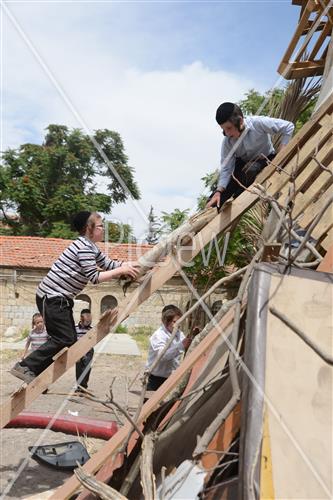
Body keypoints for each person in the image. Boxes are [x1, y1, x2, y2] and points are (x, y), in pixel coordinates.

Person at [11, 211, 140, 384]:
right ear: (89, 228)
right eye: (101, 226)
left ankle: (31, 369)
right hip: (53, 297)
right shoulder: (83, 247)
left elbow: (109, 264)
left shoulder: (91, 247)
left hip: (58, 298)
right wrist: (121, 270)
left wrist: (132, 265)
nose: (103, 230)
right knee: (65, 338)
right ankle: (25, 366)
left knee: (67, 339)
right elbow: (95, 276)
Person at [206, 102, 295, 210]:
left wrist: (282, 152)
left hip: (265, 159)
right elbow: (226, 168)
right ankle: (213, 207)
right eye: (223, 130)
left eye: (229, 128)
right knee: (218, 197)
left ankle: (236, 203)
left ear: (240, 121)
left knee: (251, 170)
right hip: (242, 164)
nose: (227, 133)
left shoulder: (258, 123)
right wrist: (219, 191)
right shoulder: (227, 142)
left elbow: (288, 126)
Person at [145, 306, 192, 391]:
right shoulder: (158, 335)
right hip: (156, 379)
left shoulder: (179, 334)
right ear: (167, 321)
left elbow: (185, 345)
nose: (177, 324)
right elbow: (162, 356)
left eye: (179, 321)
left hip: (171, 378)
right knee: (151, 402)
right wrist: (181, 345)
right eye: (174, 322)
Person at [75, 308, 94, 393]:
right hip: (78, 350)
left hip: (88, 351)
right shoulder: (75, 327)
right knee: (79, 368)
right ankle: (79, 387)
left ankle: (84, 386)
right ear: (81, 318)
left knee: (87, 368)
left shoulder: (91, 329)